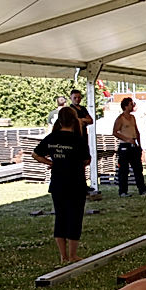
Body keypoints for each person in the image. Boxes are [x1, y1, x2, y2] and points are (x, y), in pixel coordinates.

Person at [32, 107, 91, 263]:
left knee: (61, 217)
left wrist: (51, 162)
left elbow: (35, 154)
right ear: (74, 120)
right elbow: (86, 160)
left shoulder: (52, 137)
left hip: (57, 182)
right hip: (75, 183)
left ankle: (63, 256)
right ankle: (73, 255)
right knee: (75, 217)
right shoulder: (78, 139)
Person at [112, 96, 146, 197]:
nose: (133, 106)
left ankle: (142, 190)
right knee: (124, 170)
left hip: (134, 146)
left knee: (138, 169)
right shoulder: (120, 118)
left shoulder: (133, 117)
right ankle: (123, 191)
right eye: (131, 104)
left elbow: (136, 131)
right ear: (125, 106)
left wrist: (139, 144)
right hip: (125, 147)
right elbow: (115, 132)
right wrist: (126, 139)